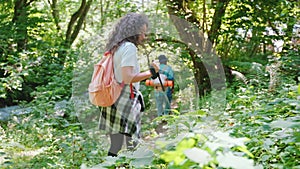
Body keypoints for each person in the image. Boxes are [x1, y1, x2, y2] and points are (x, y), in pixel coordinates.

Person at [98, 13, 159, 157]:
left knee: (115, 145)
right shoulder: (129, 47)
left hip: (111, 97)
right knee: (133, 144)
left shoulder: (115, 47)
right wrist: (151, 72)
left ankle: (110, 166)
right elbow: (128, 78)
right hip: (125, 99)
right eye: (142, 33)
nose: (144, 37)